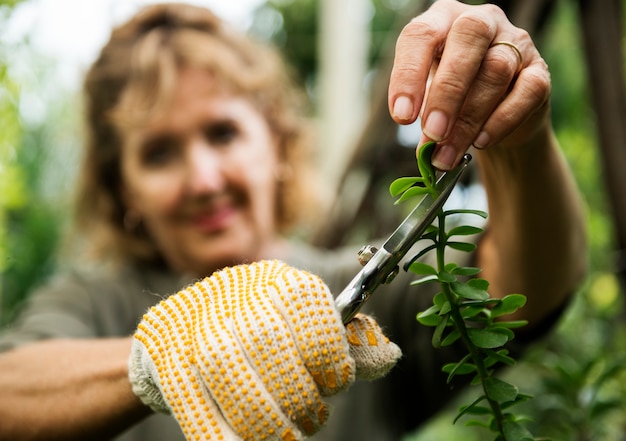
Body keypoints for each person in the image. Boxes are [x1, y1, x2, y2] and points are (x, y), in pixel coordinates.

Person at [0, 1, 587, 440]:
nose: (204, 178)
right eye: (158, 153)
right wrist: (162, 354)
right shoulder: (94, 303)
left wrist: (520, 141)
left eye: (223, 132)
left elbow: (524, 285)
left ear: (276, 143)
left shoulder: (358, 297)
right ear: (121, 189)